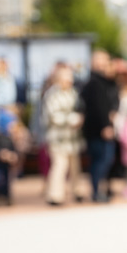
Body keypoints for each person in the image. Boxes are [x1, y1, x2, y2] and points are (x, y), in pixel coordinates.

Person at [80, 50, 119, 202]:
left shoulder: (104, 81)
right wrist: (106, 126)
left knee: (104, 160)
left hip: (100, 128)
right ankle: (96, 192)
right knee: (101, 160)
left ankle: (99, 190)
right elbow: (98, 107)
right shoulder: (94, 82)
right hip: (98, 129)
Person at [43, 65, 84, 206]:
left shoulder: (73, 93)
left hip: (73, 137)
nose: (69, 81)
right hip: (58, 137)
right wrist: (72, 119)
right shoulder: (52, 94)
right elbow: (52, 116)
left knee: (75, 167)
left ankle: (77, 191)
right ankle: (55, 195)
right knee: (60, 166)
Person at [0, 109, 21, 206]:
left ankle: (6, 196)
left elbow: (14, 150)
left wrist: (13, 156)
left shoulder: (10, 137)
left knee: (7, 181)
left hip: (6, 165)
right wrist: (0, 154)